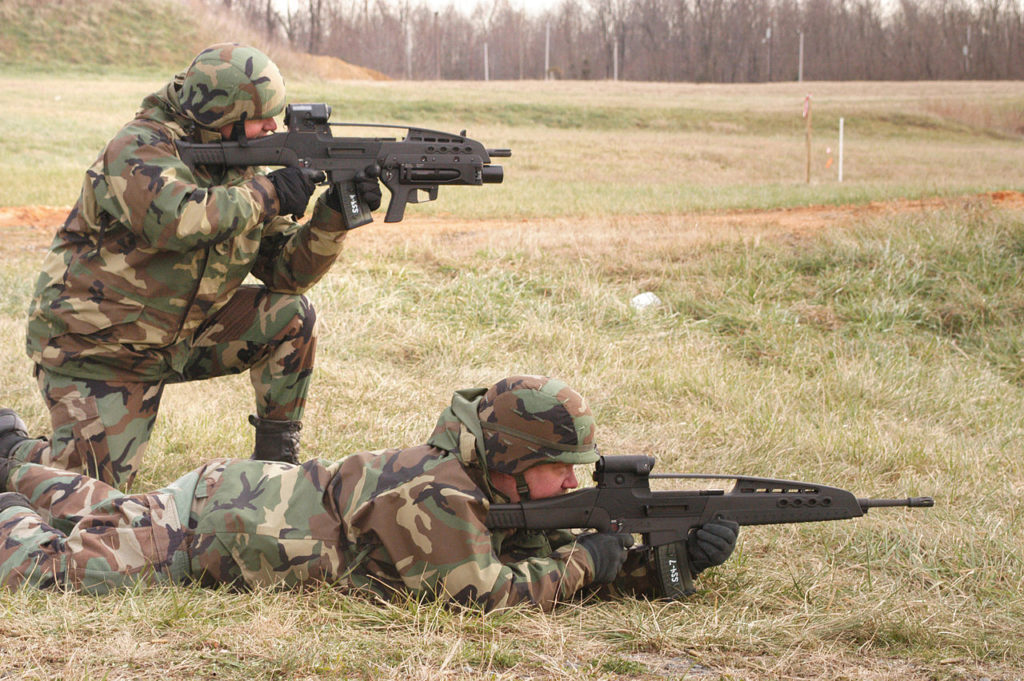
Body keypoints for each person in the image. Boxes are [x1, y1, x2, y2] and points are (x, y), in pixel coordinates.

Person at [0, 375, 738, 611]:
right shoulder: (435, 492)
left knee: (101, 505)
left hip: (224, 498)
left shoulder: (488, 486)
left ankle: (12, 453)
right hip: (207, 533)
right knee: (45, 567)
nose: (572, 482)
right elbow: (474, 591)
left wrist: (664, 560)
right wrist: (594, 564)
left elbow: (537, 550)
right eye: (560, 467)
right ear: (511, 456)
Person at [21, 43, 382, 490]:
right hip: (101, 347)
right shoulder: (137, 148)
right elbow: (179, 220)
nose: (273, 126)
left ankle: (277, 468)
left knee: (291, 316)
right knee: (86, 494)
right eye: (263, 115)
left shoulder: (235, 163)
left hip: (179, 334)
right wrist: (268, 193)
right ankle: (14, 450)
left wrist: (333, 216)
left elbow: (286, 274)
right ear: (222, 113)